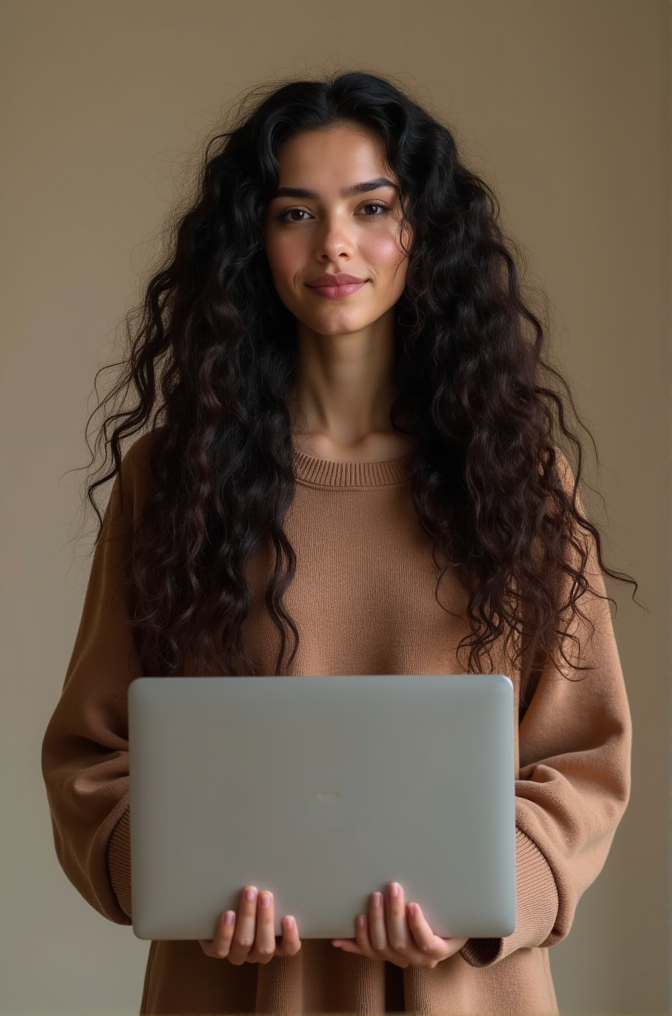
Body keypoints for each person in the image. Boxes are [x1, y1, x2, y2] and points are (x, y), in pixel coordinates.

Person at [41, 70, 634, 1016]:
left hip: (466, 990)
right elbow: (90, 756)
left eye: (372, 207)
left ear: (422, 232)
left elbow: (585, 757)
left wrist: (490, 893)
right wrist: (177, 876)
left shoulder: (520, 479)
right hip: (235, 988)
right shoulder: (171, 478)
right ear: (254, 241)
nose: (336, 246)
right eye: (294, 213)